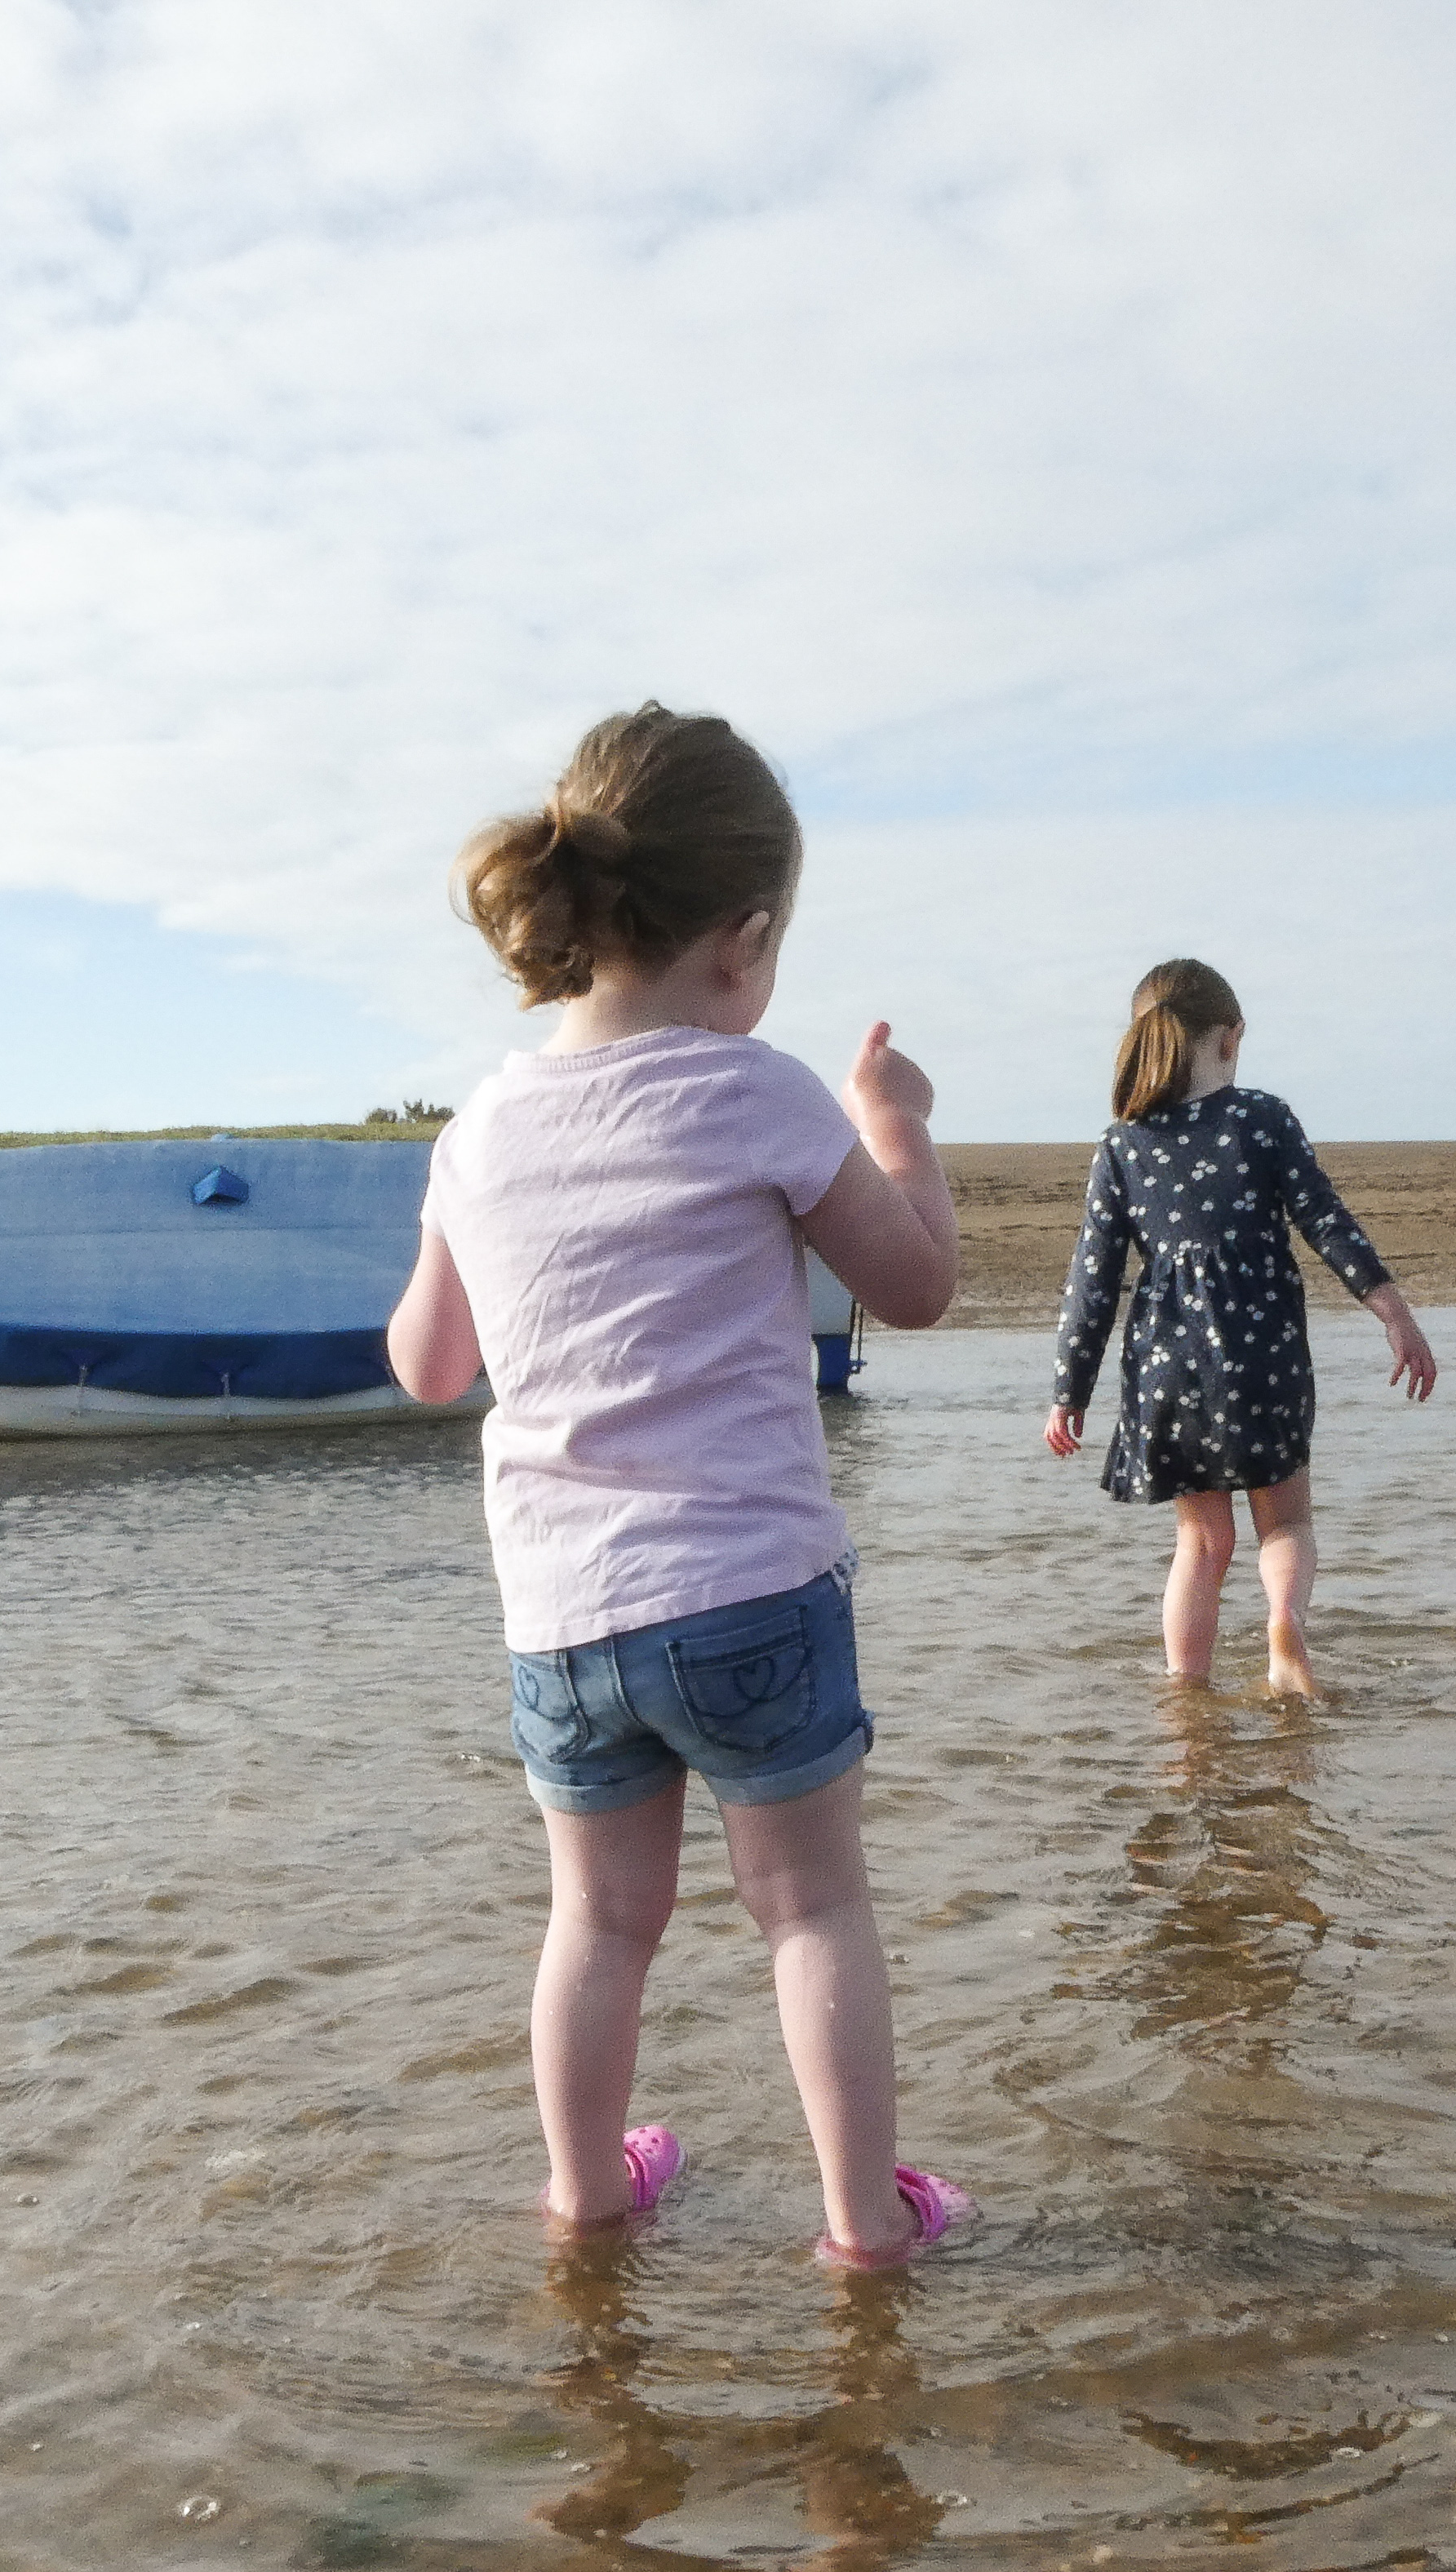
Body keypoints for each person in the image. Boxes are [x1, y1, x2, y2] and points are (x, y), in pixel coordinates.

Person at [387, 704, 974, 2268]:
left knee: (597, 1919)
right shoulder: (757, 1090)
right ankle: (864, 2224)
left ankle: (587, 2195)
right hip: (749, 1592)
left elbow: (429, 1366)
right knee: (809, 1907)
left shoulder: (480, 1126)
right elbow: (915, 1286)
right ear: (747, 938)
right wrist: (899, 1128)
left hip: (563, 1617)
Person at [1044, 959, 1437, 1695]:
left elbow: (1091, 1280)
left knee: (1200, 1543)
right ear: (1231, 1037)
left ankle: (1186, 1697)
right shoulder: (1262, 1118)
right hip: (1262, 1357)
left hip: (1168, 1369)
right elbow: (1324, 1220)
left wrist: (1069, 1392)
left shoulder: (1122, 1144)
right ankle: (1283, 1623)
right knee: (1284, 1523)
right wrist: (1394, 1314)